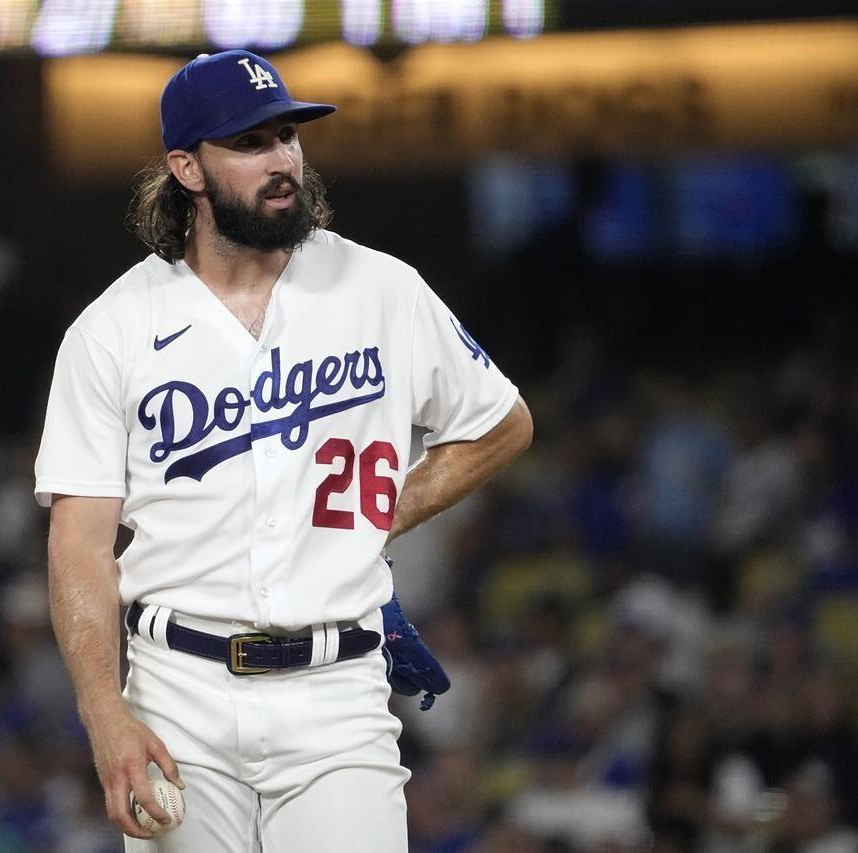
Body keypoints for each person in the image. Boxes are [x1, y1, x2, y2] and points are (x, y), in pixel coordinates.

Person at [34, 49, 533, 853]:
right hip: (177, 688)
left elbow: (502, 422)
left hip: (338, 692)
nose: (283, 160)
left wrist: (385, 511)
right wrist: (105, 716)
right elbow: (80, 544)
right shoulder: (113, 329)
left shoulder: (381, 289)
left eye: (288, 136)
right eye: (251, 143)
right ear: (186, 168)